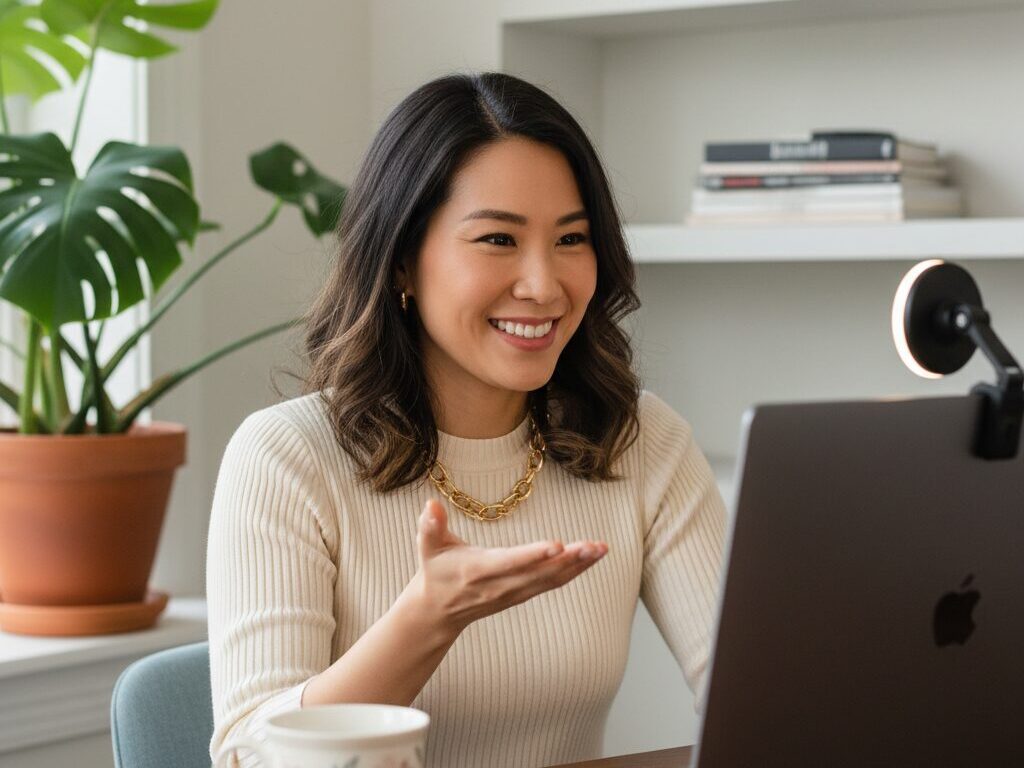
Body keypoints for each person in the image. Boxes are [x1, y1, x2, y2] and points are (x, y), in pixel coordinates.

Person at [207, 71, 727, 768]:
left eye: (571, 240)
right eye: (497, 241)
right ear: (401, 262)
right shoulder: (285, 459)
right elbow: (250, 758)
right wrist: (430, 617)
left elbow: (764, 699)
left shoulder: (639, 441)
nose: (544, 285)